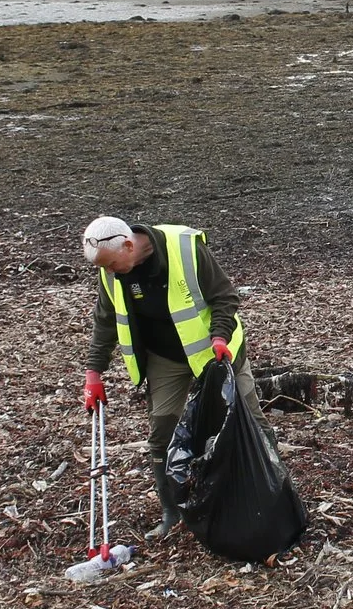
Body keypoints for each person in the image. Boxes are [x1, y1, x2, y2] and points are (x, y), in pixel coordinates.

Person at [80, 216, 261, 536]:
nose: (108, 272)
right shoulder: (109, 271)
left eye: (111, 264)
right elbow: (105, 321)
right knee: (163, 427)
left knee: (249, 419)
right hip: (164, 357)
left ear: (127, 245)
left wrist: (220, 335)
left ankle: (268, 486)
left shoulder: (185, 248)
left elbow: (225, 297)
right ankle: (171, 513)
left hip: (214, 349)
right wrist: (94, 372)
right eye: (103, 267)